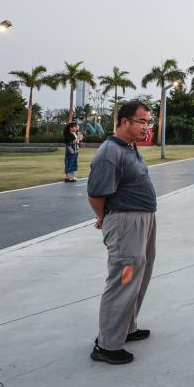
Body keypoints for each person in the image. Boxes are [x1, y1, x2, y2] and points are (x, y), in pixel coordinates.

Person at [86, 100, 158, 365]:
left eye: (148, 122)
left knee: (140, 275)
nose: (146, 127)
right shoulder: (109, 152)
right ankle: (107, 344)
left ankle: (126, 327)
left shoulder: (129, 147)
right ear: (124, 121)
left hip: (142, 222)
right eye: (142, 121)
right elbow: (96, 193)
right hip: (126, 226)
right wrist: (103, 217)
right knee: (124, 279)